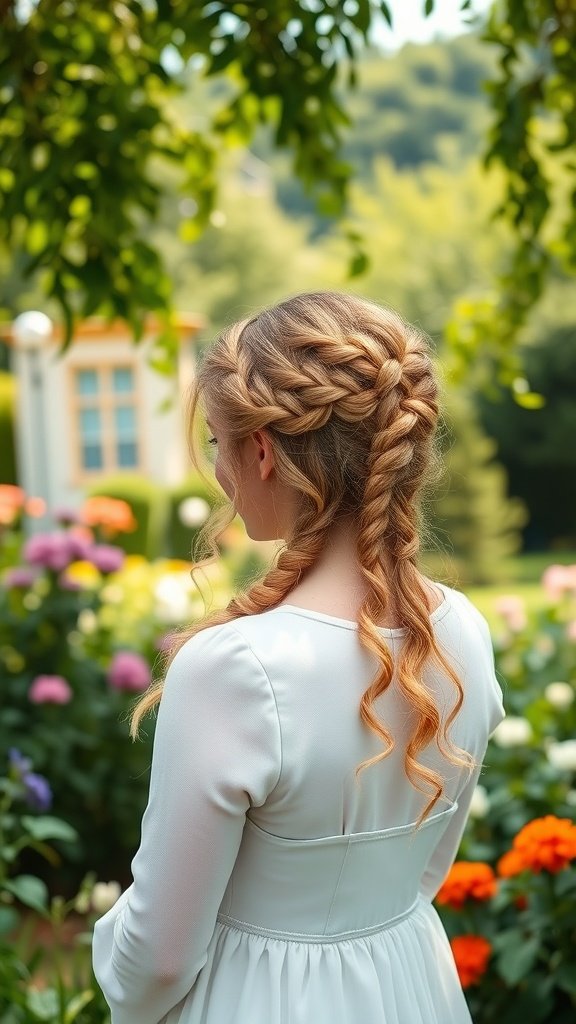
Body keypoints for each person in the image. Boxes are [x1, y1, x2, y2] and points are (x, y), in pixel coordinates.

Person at [92, 291, 505, 1024]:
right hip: (409, 986)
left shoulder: (236, 667)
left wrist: (110, 959)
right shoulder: (462, 630)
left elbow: (159, 959)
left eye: (217, 442)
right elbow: (426, 871)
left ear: (261, 451)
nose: (219, 470)